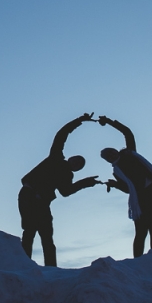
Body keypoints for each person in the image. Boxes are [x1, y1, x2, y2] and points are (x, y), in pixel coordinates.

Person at [19, 113, 100, 266]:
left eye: (79, 165)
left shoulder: (67, 177)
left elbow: (66, 192)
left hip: (43, 203)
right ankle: (24, 266)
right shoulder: (56, 157)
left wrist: (87, 182)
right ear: (70, 158)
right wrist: (79, 121)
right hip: (29, 195)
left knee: (47, 236)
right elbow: (61, 135)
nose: (76, 163)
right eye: (76, 160)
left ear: (77, 170)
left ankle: (51, 268)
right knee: (29, 232)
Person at [98, 115, 152, 258]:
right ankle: (137, 261)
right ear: (108, 160)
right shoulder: (117, 171)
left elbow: (127, 132)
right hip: (141, 200)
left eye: (111, 151)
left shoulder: (130, 154)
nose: (111, 154)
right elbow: (127, 189)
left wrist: (108, 121)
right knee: (140, 232)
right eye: (108, 155)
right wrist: (115, 185)